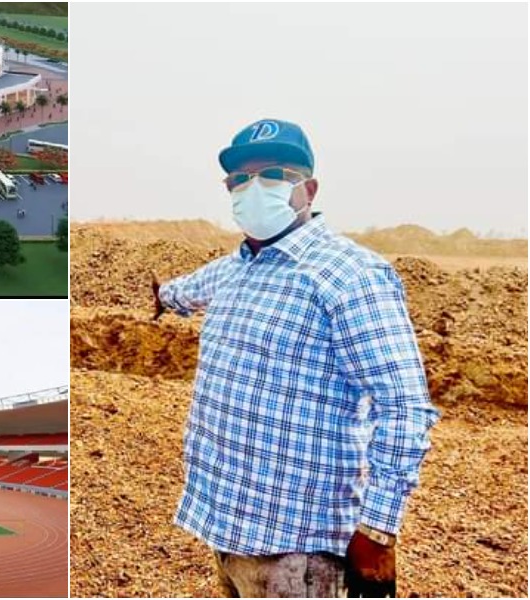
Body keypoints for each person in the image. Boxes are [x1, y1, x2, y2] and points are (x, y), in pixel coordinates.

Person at [152, 119, 439, 598]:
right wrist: (163, 297)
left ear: (307, 188)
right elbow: (187, 290)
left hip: (297, 548)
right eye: (239, 180)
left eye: (271, 175)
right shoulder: (235, 269)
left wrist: (377, 530)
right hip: (228, 525)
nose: (251, 189)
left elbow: (404, 406)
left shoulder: (349, 275)